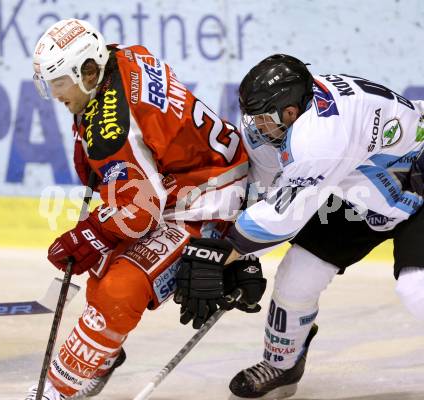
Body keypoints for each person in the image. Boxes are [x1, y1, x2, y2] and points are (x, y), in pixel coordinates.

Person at [25, 18, 267, 400]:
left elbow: (138, 213)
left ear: (88, 71)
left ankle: (57, 391)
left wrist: (89, 232)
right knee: (103, 269)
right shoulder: (121, 57)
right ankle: (103, 353)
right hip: (181, 182)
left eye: (59, 83)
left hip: (208, 199)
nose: (55, 94)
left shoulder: (112, 129)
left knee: (119, 290)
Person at [174, 54, 424, 399]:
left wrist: (223, 253)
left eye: (263, 119)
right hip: (360, 189)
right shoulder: (291, 118)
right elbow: (262, 193)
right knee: (296, 278)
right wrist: (242, 258)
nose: (257, 127)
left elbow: (282, 218)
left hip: (416, 186)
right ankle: (283, 365)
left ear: (290, 112)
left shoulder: (320, 136)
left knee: (417, 288)